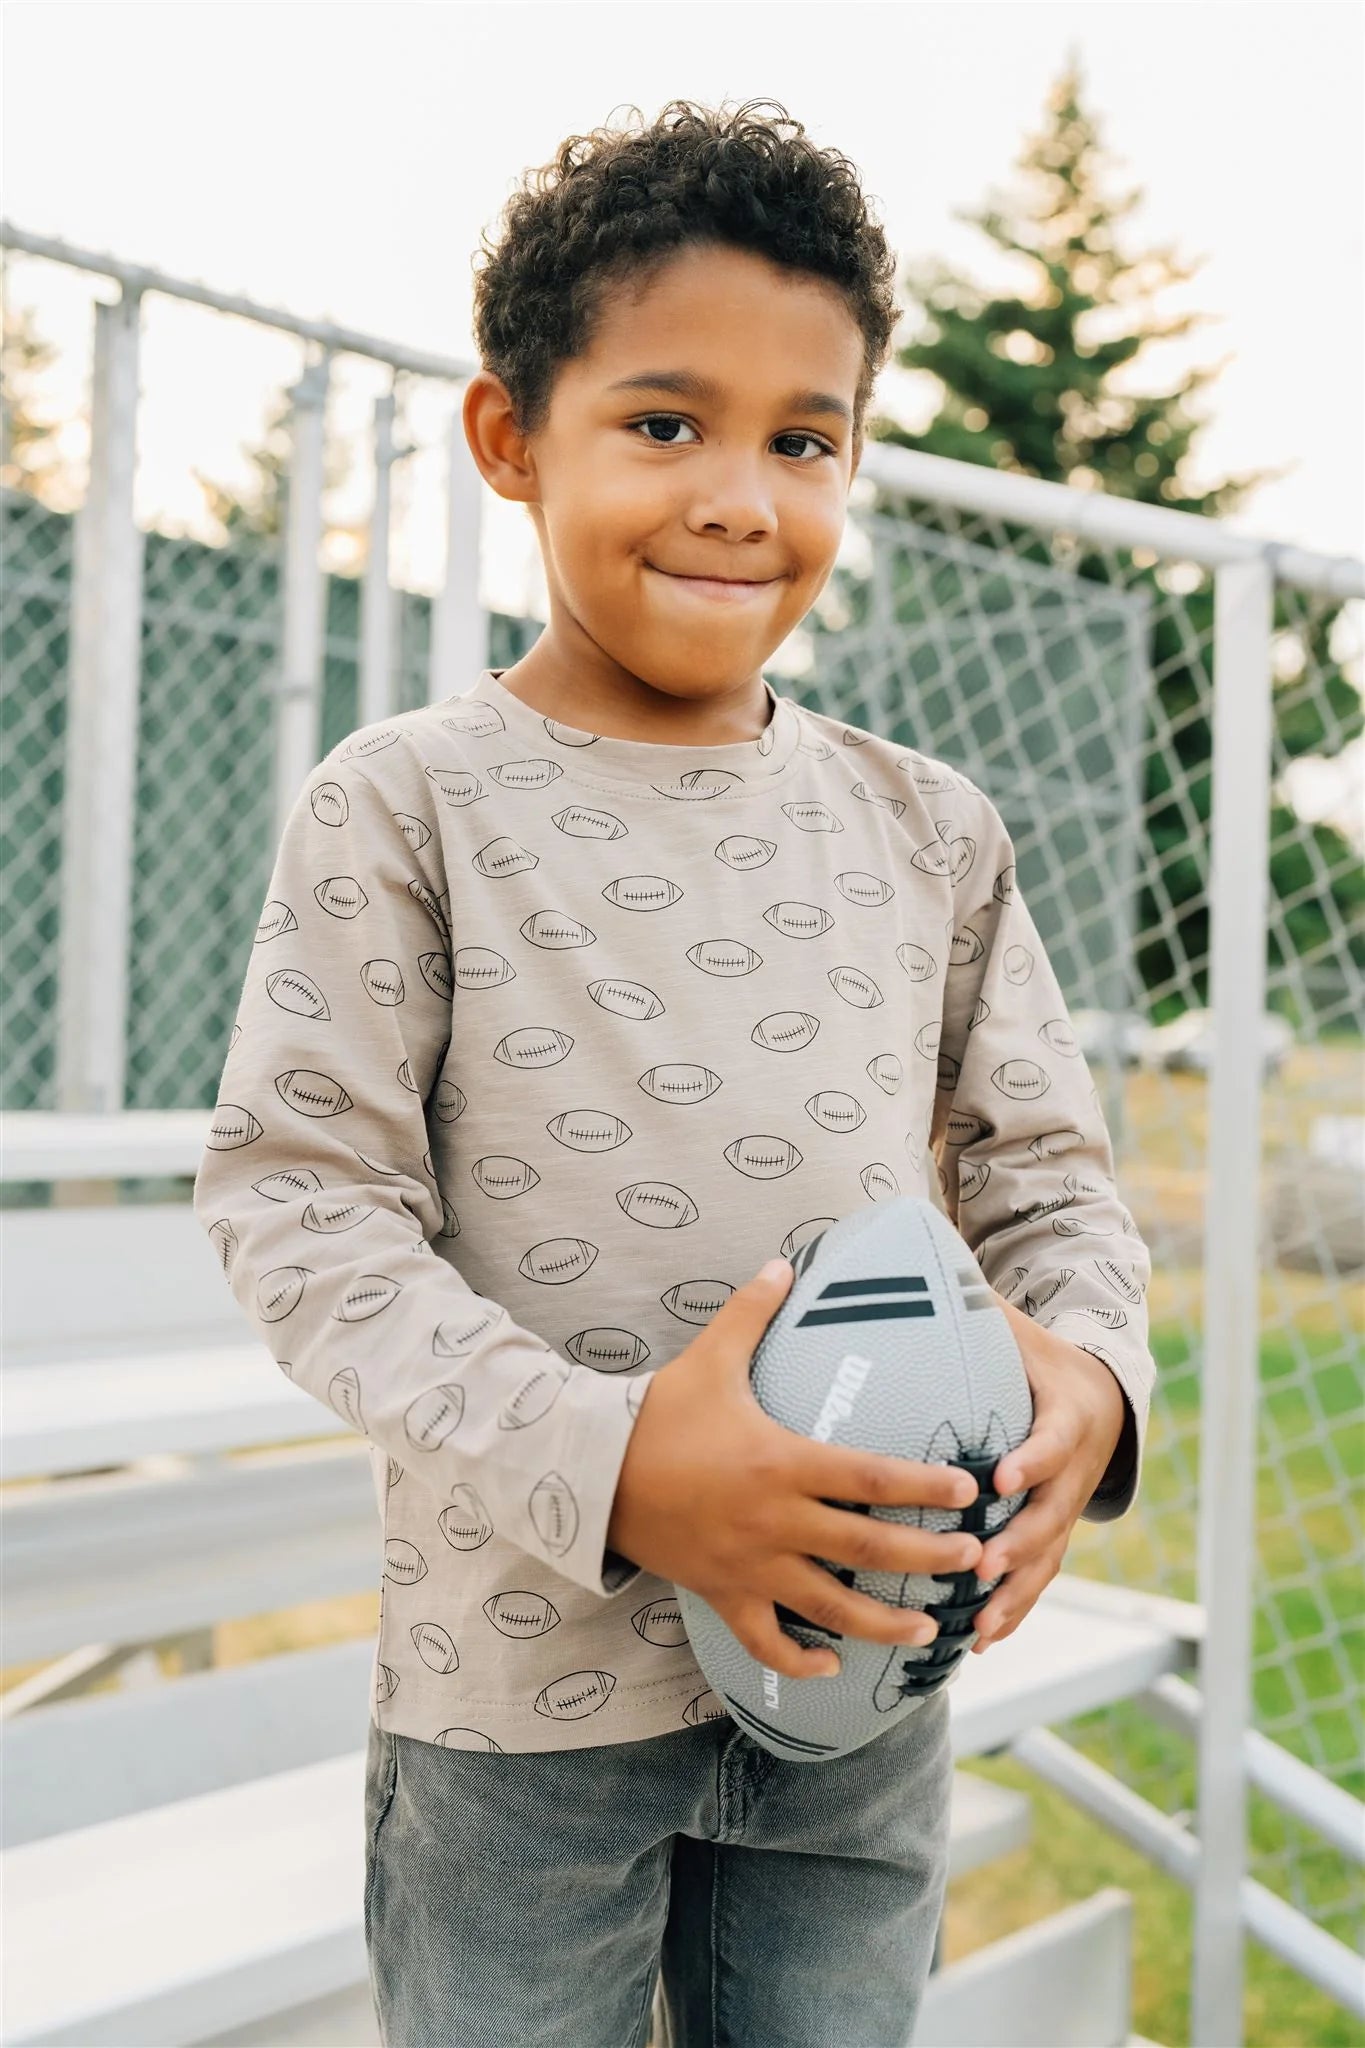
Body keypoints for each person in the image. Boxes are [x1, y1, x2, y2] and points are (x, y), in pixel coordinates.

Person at [193, 94, 1153, 2048]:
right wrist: (624, 1462)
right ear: (506, 438)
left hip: (864, 1670)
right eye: (662, 422)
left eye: (800, 440)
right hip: (514, 1707)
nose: (739, 495)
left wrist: (1088, 1379)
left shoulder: (929, 828)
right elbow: (301, 1211)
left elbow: (1049, 1179)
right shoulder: (407, 806)